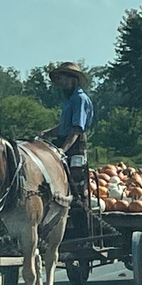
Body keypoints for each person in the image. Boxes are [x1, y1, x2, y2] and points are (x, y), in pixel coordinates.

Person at [40, 62, 94, 201]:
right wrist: (47, 133)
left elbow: (76, 129)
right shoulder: (69, 100)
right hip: (64, 140)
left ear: (73, 79)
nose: (61, 83)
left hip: (75, 145)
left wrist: (63, 150)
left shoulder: (80, 99)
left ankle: (79, 212)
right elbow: (65, 127)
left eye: (63, 79)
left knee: (75, 184)